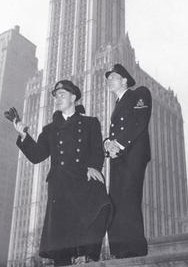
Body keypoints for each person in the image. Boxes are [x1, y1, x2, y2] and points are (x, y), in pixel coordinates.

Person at [7, 80, 112, 266]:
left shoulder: (90, 123)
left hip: (83, 180)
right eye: (55, 96)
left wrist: (94, 166)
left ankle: (87, 254)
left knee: (102, 205)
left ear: (74, 97)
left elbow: (97, 149)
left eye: (62, 94)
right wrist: (24, 135)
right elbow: (37, 155)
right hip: (60, 185)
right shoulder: (50, 129)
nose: (57, 98)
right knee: (60, 235)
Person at [103, 64, 152, 258]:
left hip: (132, 155)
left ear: (124, 80)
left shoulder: (139, 93)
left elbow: (139, 121)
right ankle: (119, 250)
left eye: (113, 77)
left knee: (129, 200)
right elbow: (114, 133)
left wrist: (119, 144)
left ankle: (134, 249)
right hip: (118, 157)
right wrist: (108, 143)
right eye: (108, 78)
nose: (109, 81)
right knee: (116, 201)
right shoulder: (117, 103)